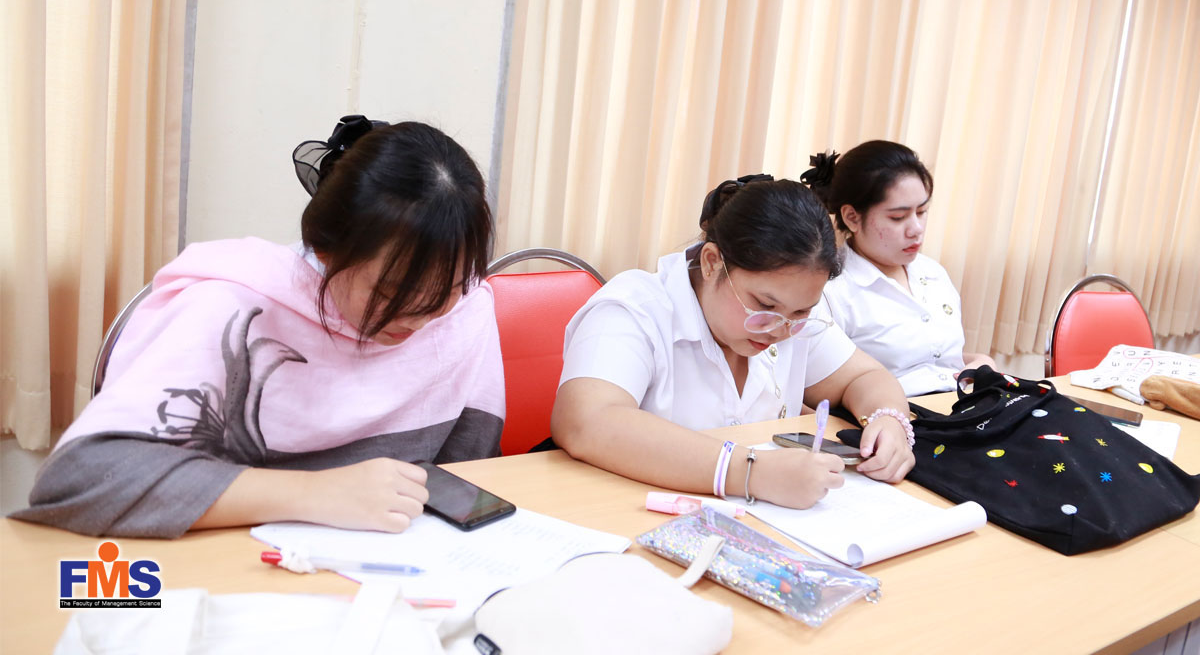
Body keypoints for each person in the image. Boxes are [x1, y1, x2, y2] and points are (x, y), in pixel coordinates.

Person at [13, 116, 504, 538]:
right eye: (392, 291)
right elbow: (82, 480)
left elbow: (468, 477)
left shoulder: (466, 308)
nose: (420, 315)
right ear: (328, 249)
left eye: (446, 289)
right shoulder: (232, 307)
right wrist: (314, 493)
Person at [550, 175, 915, 510]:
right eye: (764, 305)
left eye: (802, 310)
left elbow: (863, 376)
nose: (779, 330)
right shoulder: (634, 309)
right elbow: (586, 420)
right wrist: (751, 473)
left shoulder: (792, 318)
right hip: (633, 512)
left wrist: (890, 419)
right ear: (712, 263)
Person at [802, 140, 995, 396]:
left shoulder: (932, 273)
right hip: (894, 412)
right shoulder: (831, 291)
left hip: (960, 404)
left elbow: (934, 360)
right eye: (898, 217)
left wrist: (980, 362)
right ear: (852, 217)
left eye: (922, 211)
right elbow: (818, 389)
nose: (916, 229)